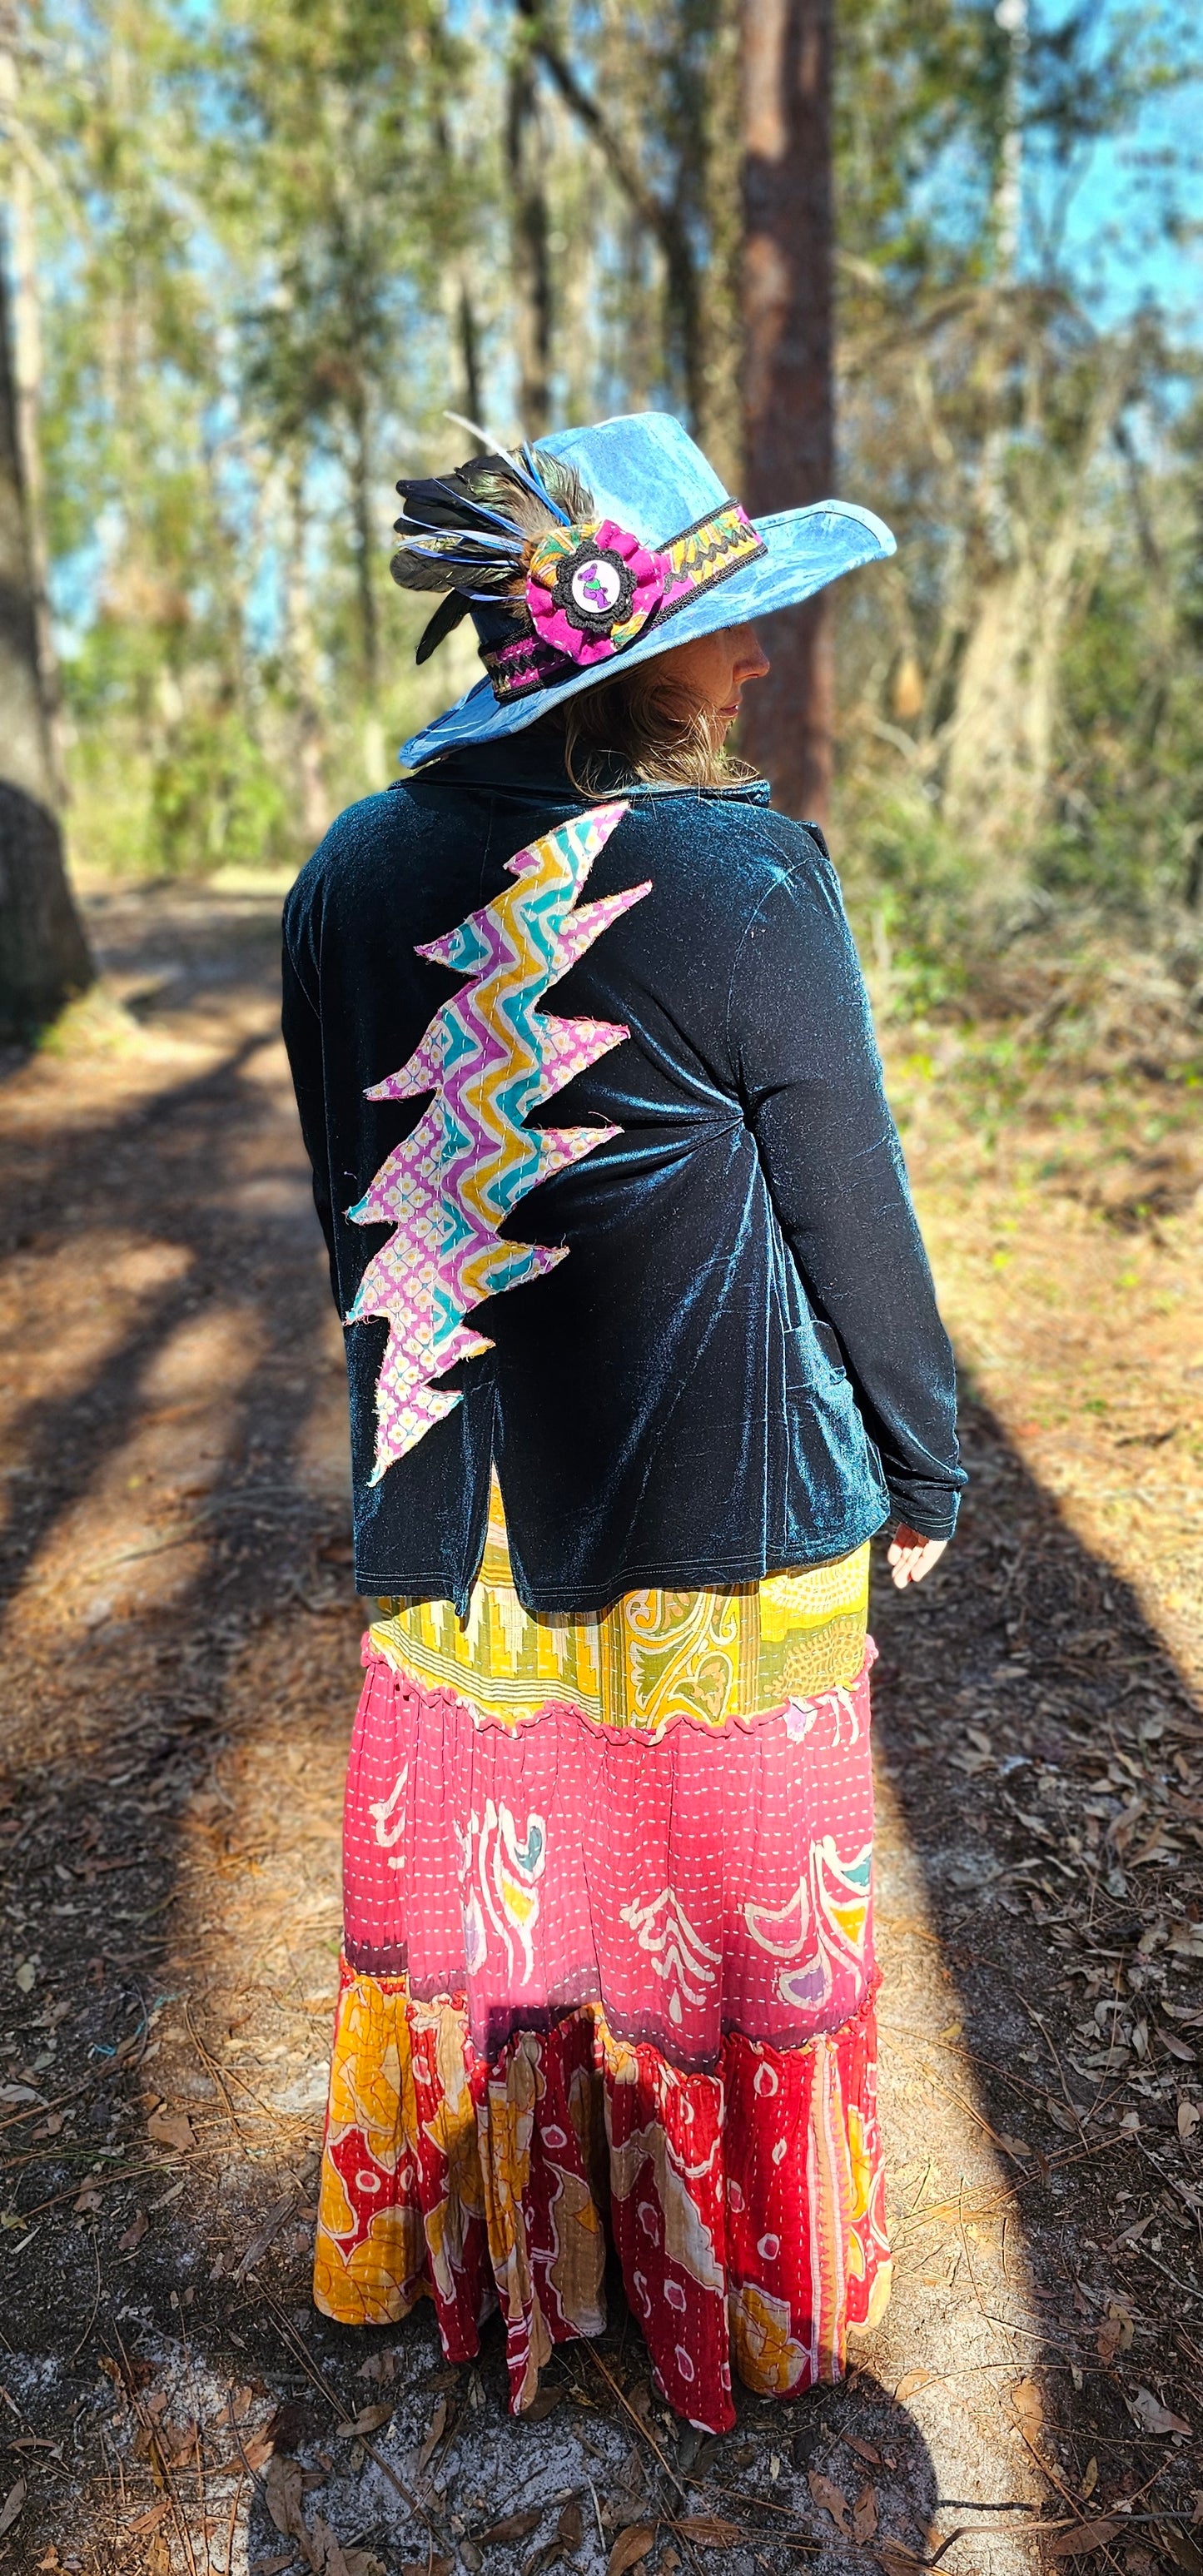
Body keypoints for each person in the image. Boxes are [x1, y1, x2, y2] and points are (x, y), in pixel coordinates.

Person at [281, 410, 963, 2434]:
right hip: (715, 1532)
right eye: (735, 627)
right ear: (633, 659)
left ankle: (519, 2261)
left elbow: (361, 1212)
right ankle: (725, 2283)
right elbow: (856, 1210)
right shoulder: (740, 871)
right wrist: (923, 1461)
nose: (763, 660)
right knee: (708, 1924)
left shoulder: (341, 876)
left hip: (457, 1531)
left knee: (512, 1915)